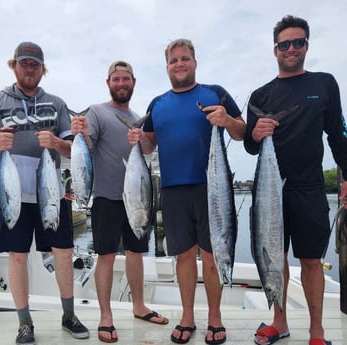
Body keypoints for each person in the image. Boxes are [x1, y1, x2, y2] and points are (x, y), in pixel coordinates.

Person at [0, 41, 89, 345]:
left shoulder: (57, 104)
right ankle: (24, 323)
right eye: (24, 63)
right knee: (18, 256)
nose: (29, 69)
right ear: (14, 65)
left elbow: (71, 149)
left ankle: (68, 315)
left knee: (63, 253)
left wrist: (56, 143)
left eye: (35, 64)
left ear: (42, 69)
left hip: (50, 193)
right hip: (13, 191)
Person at [128, 39, 246, 344]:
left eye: (185, 59)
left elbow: (242, 132)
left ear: (195, 62)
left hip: (212, 188)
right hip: (173, 189)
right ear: (167, 66)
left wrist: (227, 119)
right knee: (182, 257)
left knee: (211, 255)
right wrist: (137, 138)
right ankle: (188, 316)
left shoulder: (215, 93)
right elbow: (150, 145)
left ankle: (215, 318)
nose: (179, 64)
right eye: (173, 61)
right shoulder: (157, 104)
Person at [244, 15, 347, 345]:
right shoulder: (260, 96)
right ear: (275, 50)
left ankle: (317, 332)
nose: (291, 48)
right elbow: (248, 144)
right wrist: (256, 134)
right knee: (275, 255)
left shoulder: (325, 84)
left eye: (298, 42)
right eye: (284, 44)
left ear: (306, 45)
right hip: (268, 192)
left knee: (312, 260)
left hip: (309, 187)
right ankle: (280, 322)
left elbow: (338, 135)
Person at [71, 61, 169, 343]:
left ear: (134, 82)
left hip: (138, 199)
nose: (121, 83)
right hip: (108, 197)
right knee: (106, 255)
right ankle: (106, 316)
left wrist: (141, 139)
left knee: (137, 253)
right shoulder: (98, 113)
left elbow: (150, 149)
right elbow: (86, 147)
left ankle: (139, 307)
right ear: (108, 83)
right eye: (116, 79)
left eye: (126, 79)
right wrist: (79, 129)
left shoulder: (138, 117)